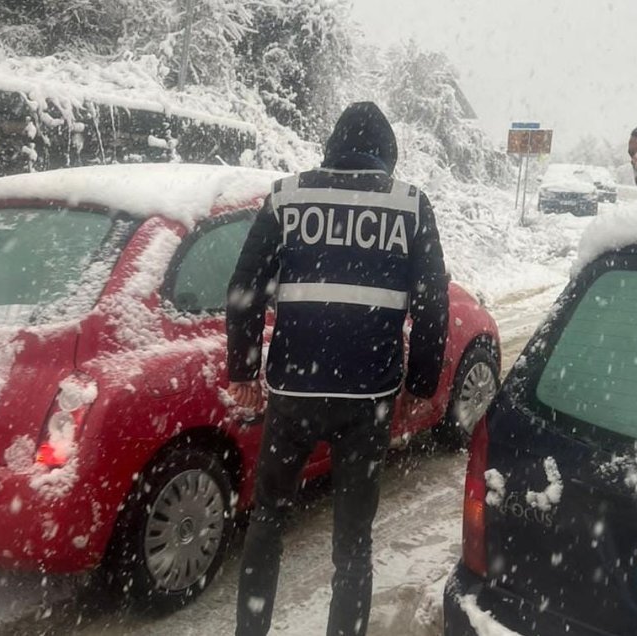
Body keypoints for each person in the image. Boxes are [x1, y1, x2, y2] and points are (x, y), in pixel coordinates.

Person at [226, 101, 449, 636]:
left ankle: (249, 631)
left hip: (293, 390)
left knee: (269, 517)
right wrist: (420, 384)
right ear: (387, 157)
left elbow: (244, 288)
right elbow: (433, 303)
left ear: (330, 148)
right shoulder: (410, 206)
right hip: (367, 397)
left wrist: (244, 369)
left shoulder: (287, 196)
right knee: (353, 541)